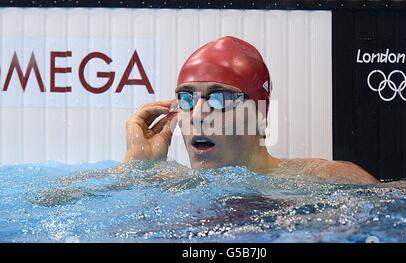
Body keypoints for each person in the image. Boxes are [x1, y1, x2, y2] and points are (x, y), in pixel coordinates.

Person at [121, 36, 379, 184]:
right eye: (186, 98)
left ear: (261, 114)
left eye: (219, 97)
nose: (197, 115)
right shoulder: (164, 184)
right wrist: (136, 166)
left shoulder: (324, 179)